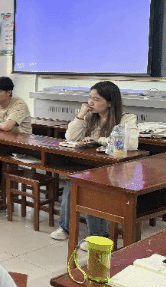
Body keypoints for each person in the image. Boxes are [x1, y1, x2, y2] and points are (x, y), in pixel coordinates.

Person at [51, 81, 138, 245]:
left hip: (115, 169)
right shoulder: (91, 115)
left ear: (110, 102)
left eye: (96, 99)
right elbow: (70, 137)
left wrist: (99, 140)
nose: (91, 103)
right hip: (91, 164)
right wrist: (80, 115)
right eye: (89, 98)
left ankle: (98, 236)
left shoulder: (126, 118)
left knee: (91, 184)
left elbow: (131, 143)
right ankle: (65, 228)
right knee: (72, 181)